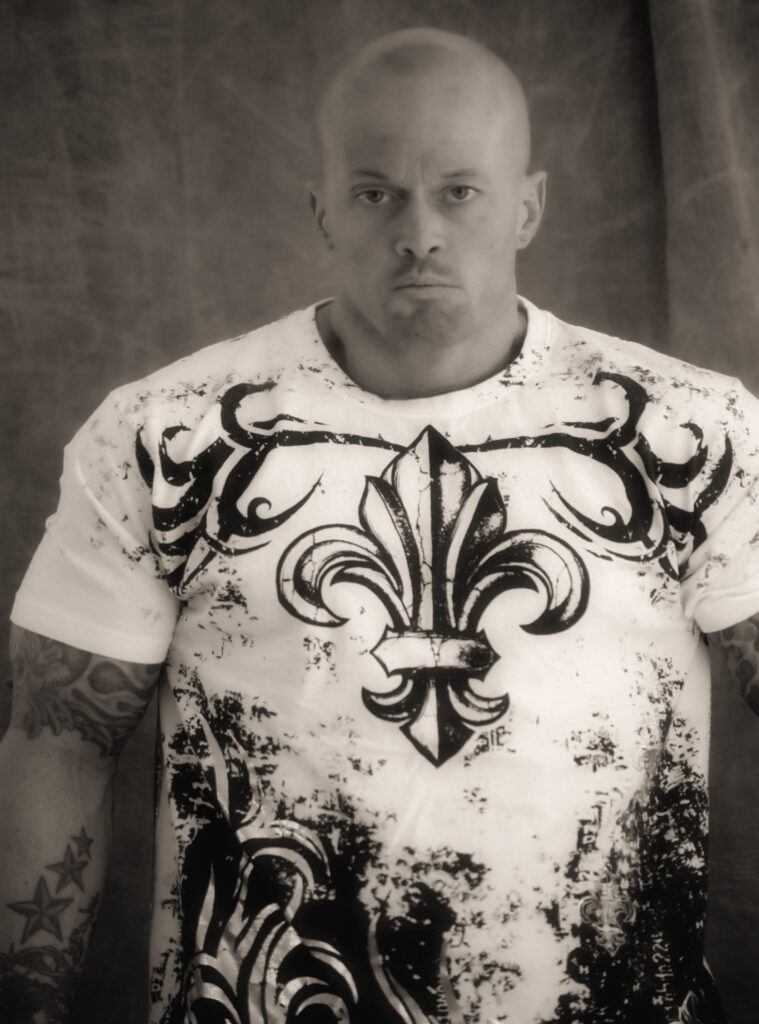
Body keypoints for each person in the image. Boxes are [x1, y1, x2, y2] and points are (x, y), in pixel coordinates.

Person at [1, 25, 758, 1024]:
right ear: (322, 210)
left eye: (460, 191)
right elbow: (59, 743)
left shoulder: (687, 434)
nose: (420, 231)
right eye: (376, 193)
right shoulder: (170, 438)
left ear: (527, 205)